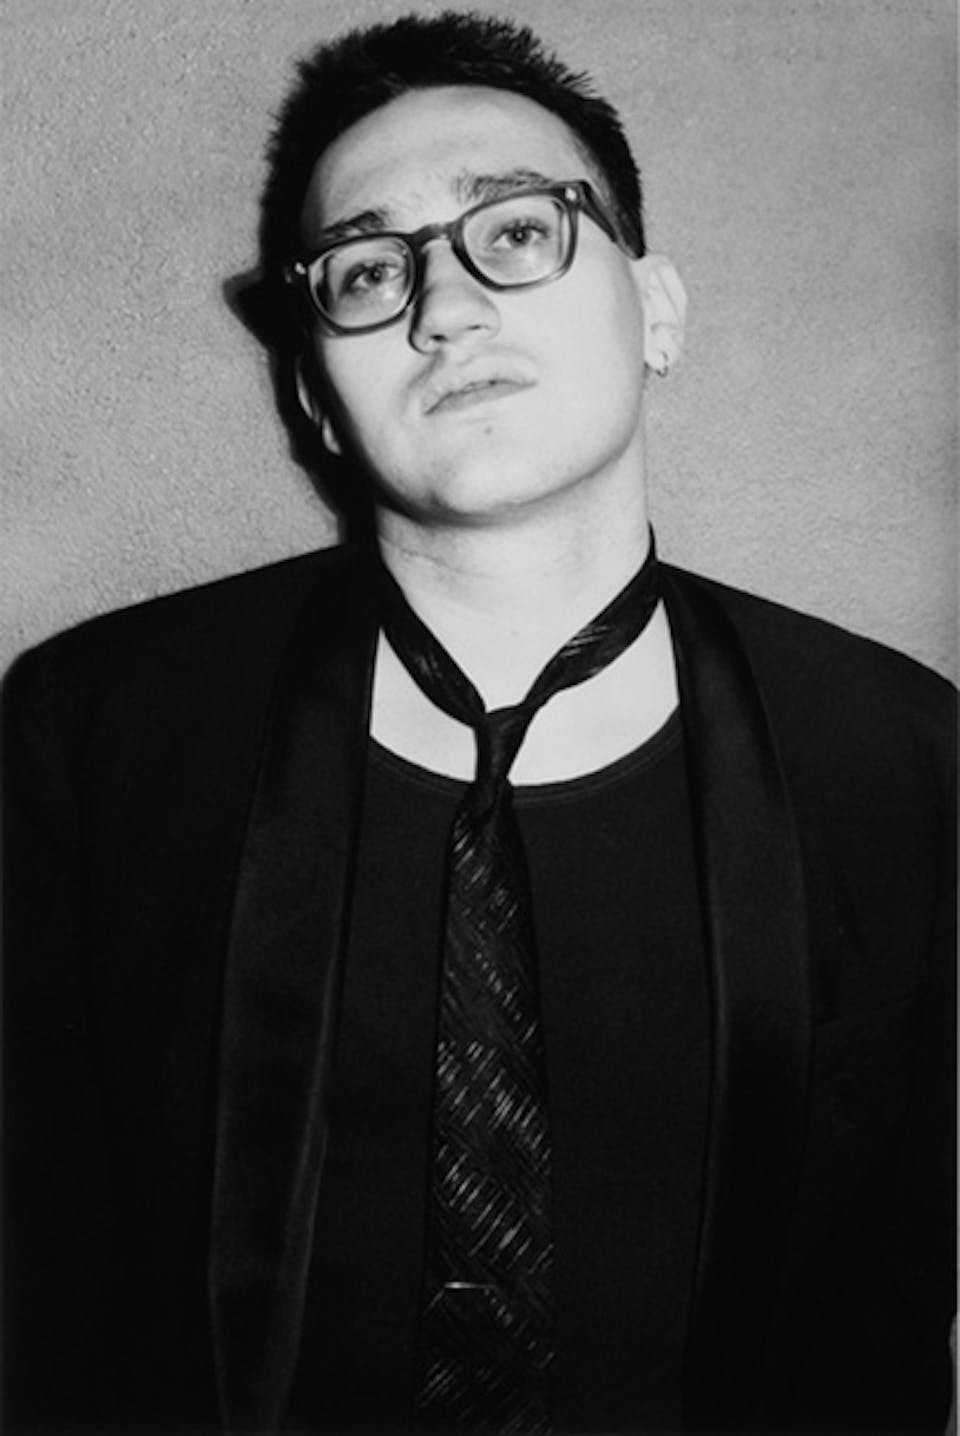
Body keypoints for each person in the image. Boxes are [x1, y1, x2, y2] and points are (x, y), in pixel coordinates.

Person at [3, 11, 955, 1436]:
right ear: (317, 394)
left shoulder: (901, 755)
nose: (443, 307)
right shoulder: (97, 738)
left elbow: (893, 1311)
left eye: (516, 230)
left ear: (659, 311)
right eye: (370, 269)